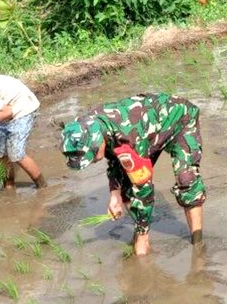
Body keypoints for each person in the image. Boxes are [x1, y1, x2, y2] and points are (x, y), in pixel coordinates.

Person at [61, 93, 206, 256]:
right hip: (150, 131)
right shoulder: (90, 125)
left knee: (187, 181)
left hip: (181, 119)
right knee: (126, 190)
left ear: (98, 140)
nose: (92, 161)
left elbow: (144, 189)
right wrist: (115, 194)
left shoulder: (129, 137)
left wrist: (142, 237)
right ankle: (141, 228)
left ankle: (197, 244)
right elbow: (114, 157)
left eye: (92, 155)